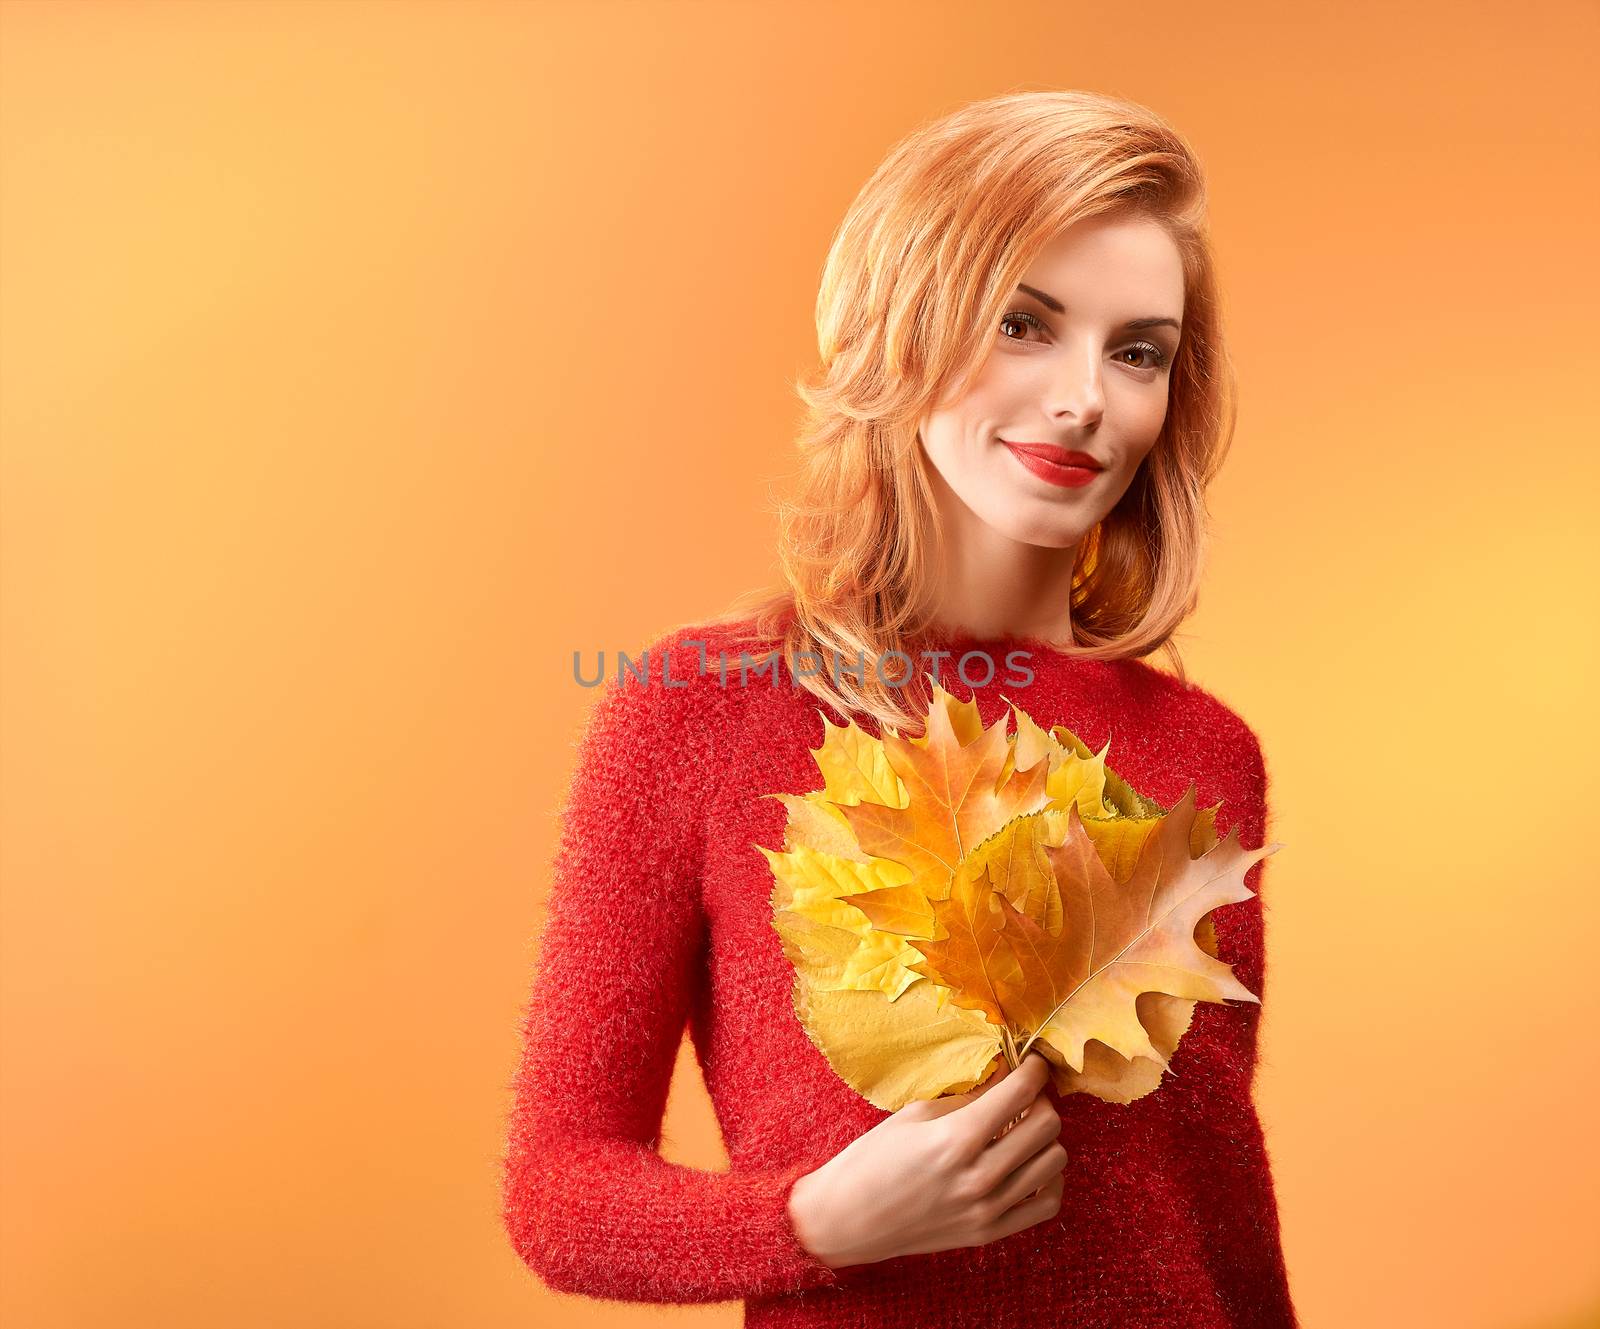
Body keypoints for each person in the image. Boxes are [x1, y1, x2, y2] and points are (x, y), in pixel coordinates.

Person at [500, 89, 1299, 1328]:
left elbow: (1218, 1204)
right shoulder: (699, 711)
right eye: (1021, 326)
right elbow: (557, 1193)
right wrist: (812, 1222)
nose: (1085, 397)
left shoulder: (1204, 750)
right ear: (900, 332)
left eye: (1135, 350)